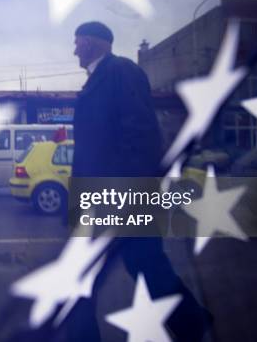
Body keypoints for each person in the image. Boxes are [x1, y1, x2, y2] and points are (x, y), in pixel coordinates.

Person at [66, 22, 212, 341]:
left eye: (78, 42)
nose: (74, 49)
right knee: (142, 264)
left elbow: (141, 135)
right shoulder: (100, 78)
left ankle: (191, 322)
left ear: (91, 43)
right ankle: (191, 322)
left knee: (138, 264)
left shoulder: (121, 71)